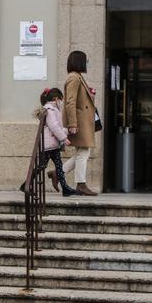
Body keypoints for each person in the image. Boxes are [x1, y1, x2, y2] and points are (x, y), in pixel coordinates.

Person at [62, 50, 99, 196]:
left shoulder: (77, 77)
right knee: (84, 152)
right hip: (79, 121)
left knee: (82, 152)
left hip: (82, 121)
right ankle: (81, 184)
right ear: (79, 61)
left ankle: (58, 173)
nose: (87, 63)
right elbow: (70, 102)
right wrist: (72, 123)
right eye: (86, 60)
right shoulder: (74, 78)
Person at [39, 88, 80, 197]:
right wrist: (64, 138)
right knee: (41, 166)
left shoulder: (53, 110)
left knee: (59, 167)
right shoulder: (50, 110)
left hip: (53, 145)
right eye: (61, 100)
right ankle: (26, 185)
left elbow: (59, 127)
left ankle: (65, 188)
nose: (61, 102)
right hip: (48, 146)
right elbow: (54, 127)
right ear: (56, 99)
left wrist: (68, 131)